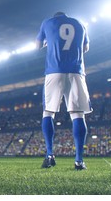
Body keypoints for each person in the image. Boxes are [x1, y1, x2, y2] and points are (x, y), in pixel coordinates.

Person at [36, 11, 92, 170]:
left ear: (55, 17)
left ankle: (49, 155)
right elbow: (86, 47)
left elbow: (37, 46)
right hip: (76, 71)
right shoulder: (80, 24)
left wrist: (48, 43)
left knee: (48, 112)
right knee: (77, 114)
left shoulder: (47, 22)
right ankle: (79, 161)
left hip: (54, 71)